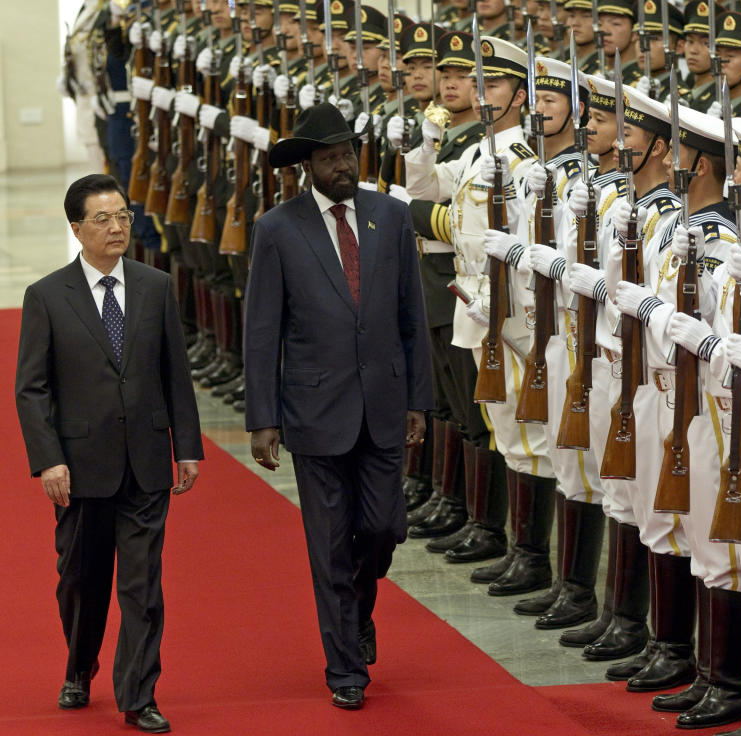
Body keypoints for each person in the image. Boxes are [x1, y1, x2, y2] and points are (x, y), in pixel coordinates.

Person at [243, 102, 433, 710]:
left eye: (348, 153)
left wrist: (418, 402)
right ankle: (344, 667)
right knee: (327, 545)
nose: (344, 165)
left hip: (382, 404)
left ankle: (357, 608)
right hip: (313, 412)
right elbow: (261, 329)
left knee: (382, 528)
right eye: (330, 159)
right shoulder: (277, 229)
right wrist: (263, 417)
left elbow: (413, 315)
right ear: (308, 168)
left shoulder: (391, 217)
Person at [14, 173, 203, 734]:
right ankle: (79, 666)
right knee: (81, 582)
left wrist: (186, 448)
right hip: (79, 467)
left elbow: (176, 373)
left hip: (145, 462)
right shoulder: (47, 296)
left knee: (143, 586)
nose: (117, 227)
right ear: (76, 229)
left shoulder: (155, 286)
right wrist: (49, 459)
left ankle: (138, 695)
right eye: (102, 219)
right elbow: (32, 387)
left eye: (122, 216)